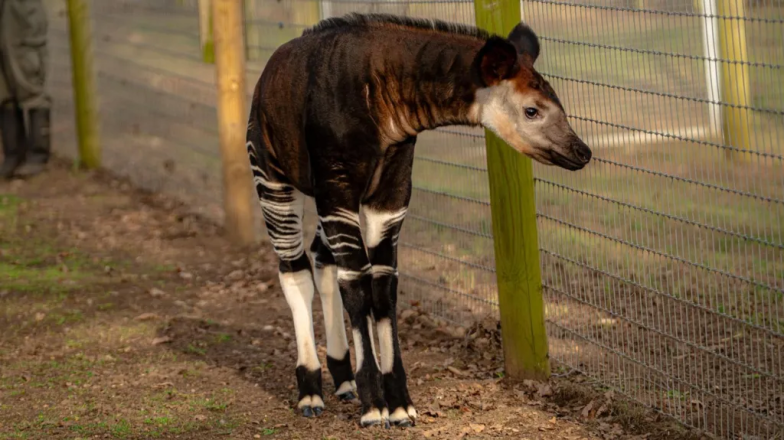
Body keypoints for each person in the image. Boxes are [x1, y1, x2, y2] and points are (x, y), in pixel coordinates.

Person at [0, 0, 52, 179]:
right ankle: (13, 155)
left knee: (27, 74)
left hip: (21, 11)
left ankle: (38, 154)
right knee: (3, 88)